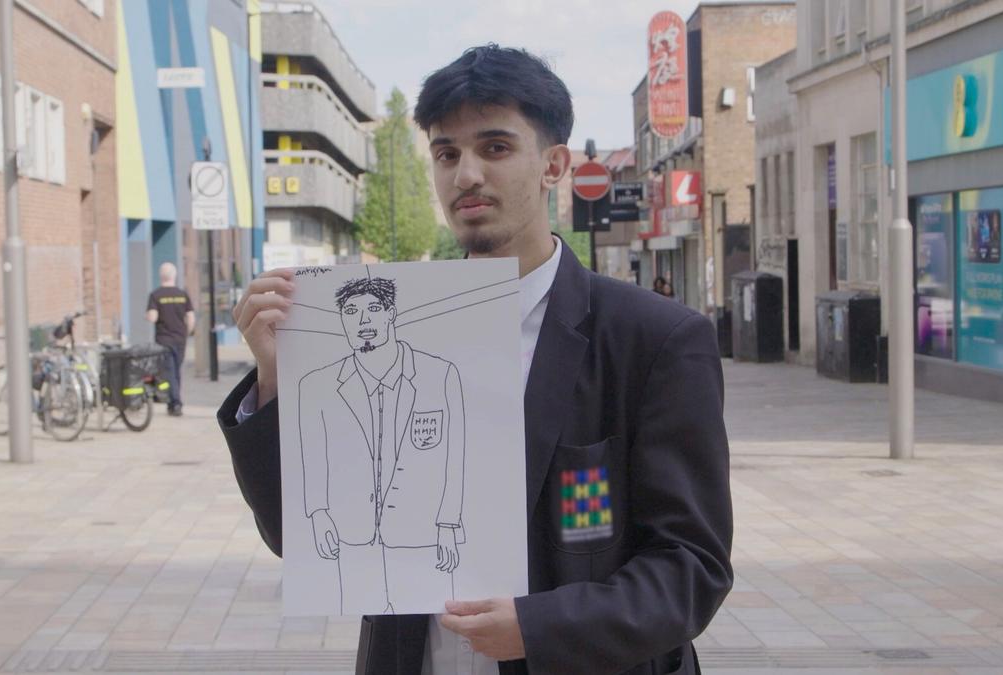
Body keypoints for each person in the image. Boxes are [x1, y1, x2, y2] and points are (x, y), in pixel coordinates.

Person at [220, 45, 732, 674]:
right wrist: (278, 378)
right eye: (446, 153)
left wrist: (538, 626)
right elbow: (296, 538)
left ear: (554, 164)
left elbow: (691, 567)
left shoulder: (652, 339)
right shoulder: (374, 330)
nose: (465, 175)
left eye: (494, 148)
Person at [300, 275, 465, 615]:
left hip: (422, 535)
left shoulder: (439, 374)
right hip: (352, 537)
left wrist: (448, 523)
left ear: (391, 314)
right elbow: (313, 454)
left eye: (374, 309)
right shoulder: (316, 385)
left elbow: (454, 456)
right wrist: (318, 513)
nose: (364, 321)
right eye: (351, 311)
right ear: (341, 320)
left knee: (437, 631)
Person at [146, 262, 194, 416]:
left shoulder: (155, 295)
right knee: (176, 371)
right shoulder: (182, 294)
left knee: (170, 372)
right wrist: (187, 332)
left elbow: (153, 317)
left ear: (161, 276)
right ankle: (173, 403)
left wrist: (147, 315)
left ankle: (175, 403)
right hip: (180, 339)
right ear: (175, 276)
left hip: (164, 340)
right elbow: (191, 317)